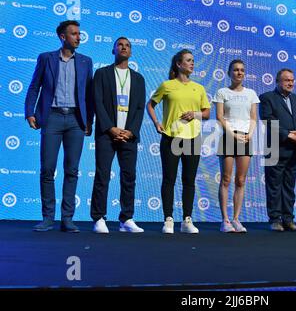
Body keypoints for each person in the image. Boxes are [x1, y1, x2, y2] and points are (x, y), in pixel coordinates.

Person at [25, 20, 93, 232]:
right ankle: (47, 218)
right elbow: (35, 86)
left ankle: (67, 219)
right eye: (74, 34)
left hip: (75, 120)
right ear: (63, 37)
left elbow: (88, 94)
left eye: (79, 34)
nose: (78, 37)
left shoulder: (85, 61)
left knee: (71, 170)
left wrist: (88, 120)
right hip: (51, 118)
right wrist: (29, 112)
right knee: (47, 169)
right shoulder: (46, 58)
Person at [147, 49, 210, 234]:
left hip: (192, 138)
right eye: (188, 60)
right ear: (178, 64)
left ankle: (187, 220)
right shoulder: (167, 85)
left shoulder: (199, 88)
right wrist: (157, 122)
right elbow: (150, 104)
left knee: (189, 180)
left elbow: (206, 113)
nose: (192, 63)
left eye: (193, 61)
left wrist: (194, 114)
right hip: (171, 138)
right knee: (169, 179)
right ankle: (168, 219)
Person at [90, 37, 146, 233]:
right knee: (102, 175)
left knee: (129, 176)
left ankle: (126, 219)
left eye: (128, 45)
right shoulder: (102, 73)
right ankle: (98, 218)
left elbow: (140, 108)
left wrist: (130, 131)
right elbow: (97, 102)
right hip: (107, 134)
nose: (124, 47)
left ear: (131, 52)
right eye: (120, 45)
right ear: (113, 50)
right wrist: (111, 128)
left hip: (129, 135)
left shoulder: (138, 78)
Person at [259, 68, 296, 232]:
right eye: (287, 80)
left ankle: (288, 220)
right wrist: (288, 135)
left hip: (295, 148)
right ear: (278, 81)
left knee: (289, 186)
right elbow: (268, 119)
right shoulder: (267, 98)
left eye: (292, 80)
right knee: (274, 186)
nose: (290, 83)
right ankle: (275, 219)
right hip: (274, 147)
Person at [212, 60, 259, 233]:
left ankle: (236, 219)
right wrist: (233, 134)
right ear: (229, 72)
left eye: (242, 70)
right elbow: (219, 116)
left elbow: (253, 117)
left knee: (241, 180)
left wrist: (249, 134)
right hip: (229, 137)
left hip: (246, 138)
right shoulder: (222, 92)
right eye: (236, 70)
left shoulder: (251, 94)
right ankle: (225, 220)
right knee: (226, 179)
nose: (239, 73)